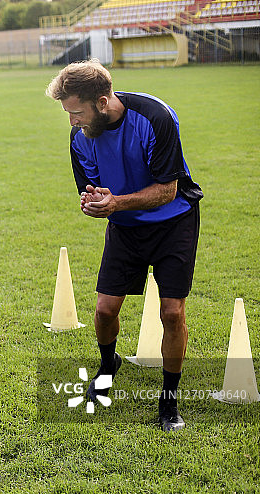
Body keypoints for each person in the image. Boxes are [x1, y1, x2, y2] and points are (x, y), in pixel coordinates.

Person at [46, 60, 202, 432]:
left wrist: (115, 203)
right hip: (125, 228)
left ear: (102, 102)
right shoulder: (80, 137)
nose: (72, 122)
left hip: (174, 223)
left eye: (77, 112)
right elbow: (94, 189)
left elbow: (167, 190)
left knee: (172, 313)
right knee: (103, 311)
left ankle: (169, 403)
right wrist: (96, 202)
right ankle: (107, 365)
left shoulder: (156, 118)